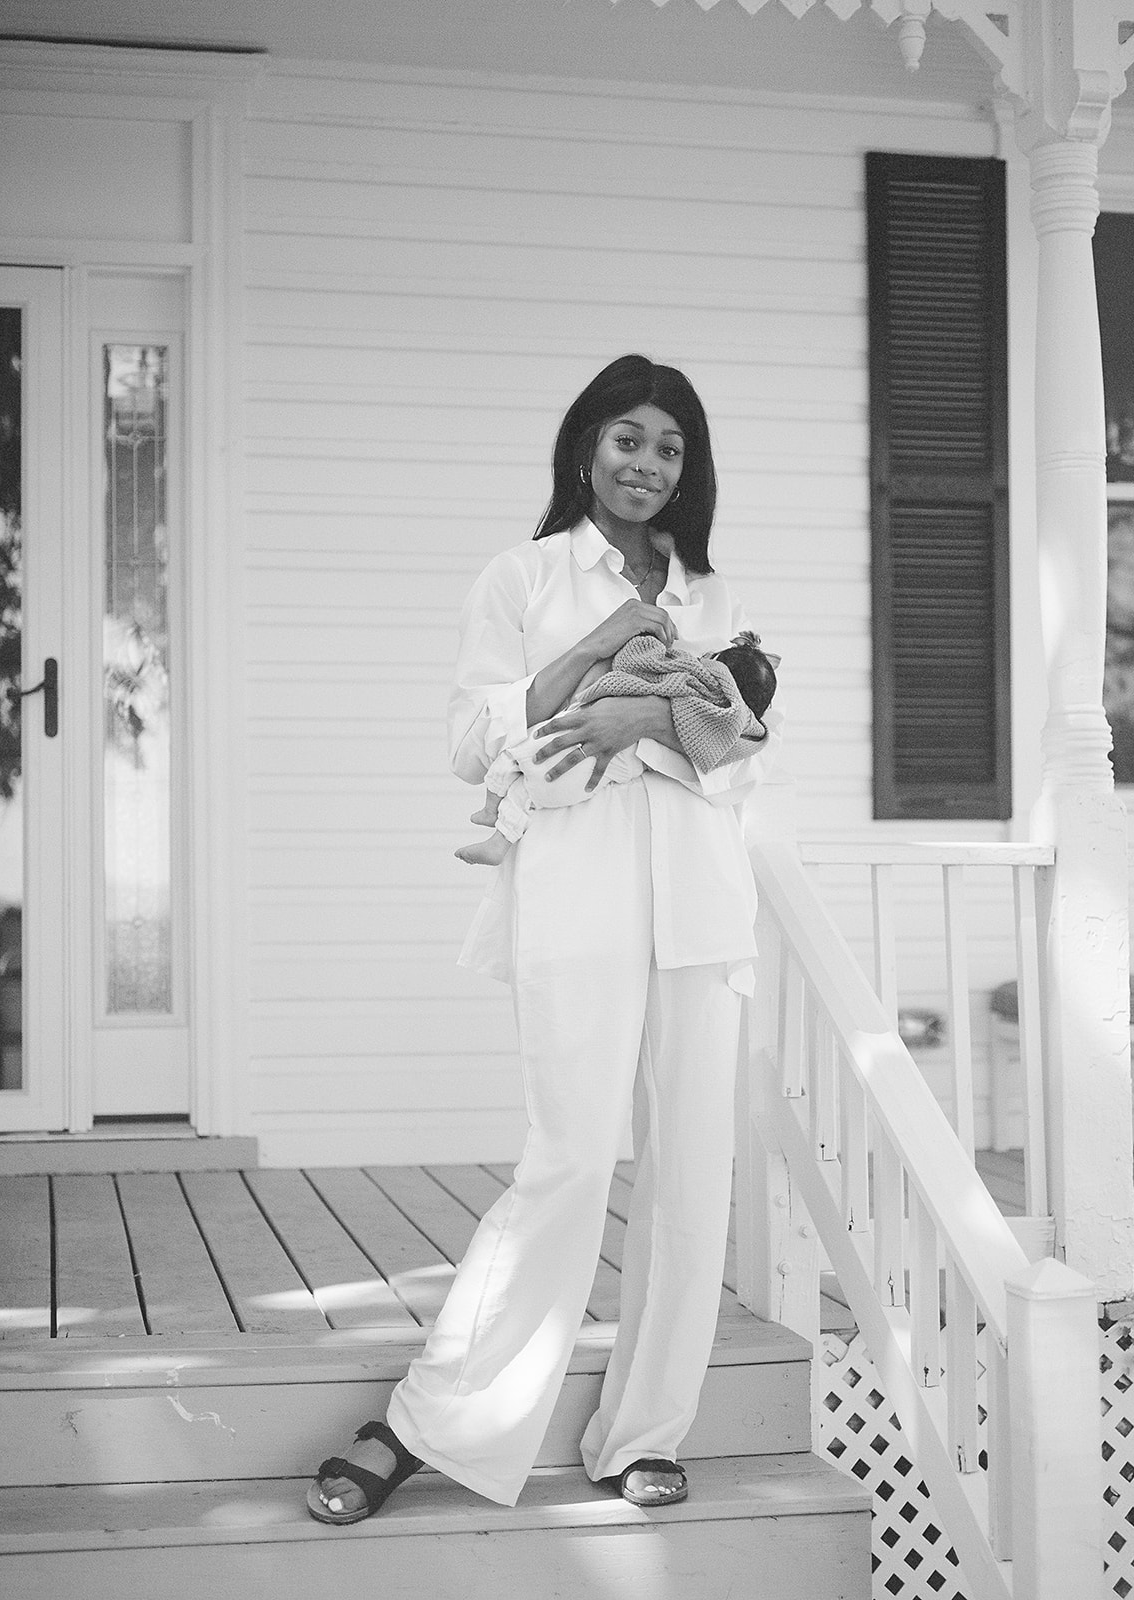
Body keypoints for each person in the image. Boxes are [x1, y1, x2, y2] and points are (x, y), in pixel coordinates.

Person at [307, 353, 780, 1525]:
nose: (647, 464)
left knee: (690, 1177)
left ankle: (644, 1433)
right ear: (584, 445)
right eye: (628, 438)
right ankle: (429, 1419)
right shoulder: (521, 574)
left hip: (703, 897)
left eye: (669, 447)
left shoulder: (715, 591)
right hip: (574, 890)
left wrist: (635, 715)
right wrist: (595, 660)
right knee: (567, 1159)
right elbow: (474, 743)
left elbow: (740, 756)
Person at [454, 629, 778, 866]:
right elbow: (468, 755)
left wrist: (651, 715)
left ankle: (493, 812)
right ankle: (498, 837)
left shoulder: (700, 675)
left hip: (602, 767)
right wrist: (588, 648)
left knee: (519, 765)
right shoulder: (522, 572)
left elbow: (750, 763)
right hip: (578, 810)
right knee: (525, 784)